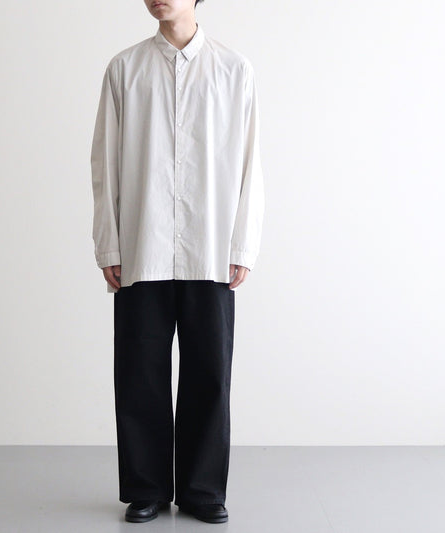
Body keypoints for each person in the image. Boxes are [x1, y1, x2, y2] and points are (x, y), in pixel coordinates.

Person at [90, 0, 264, 524]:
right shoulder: (125, 69)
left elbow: (251, 161)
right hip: (142, 245)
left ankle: (203, 490)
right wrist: (110, 243)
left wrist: (242, 244)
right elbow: (105, 160)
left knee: (210, 374)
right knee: (138, 373)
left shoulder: (233, 69)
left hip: (209, 248)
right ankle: (146, 488)